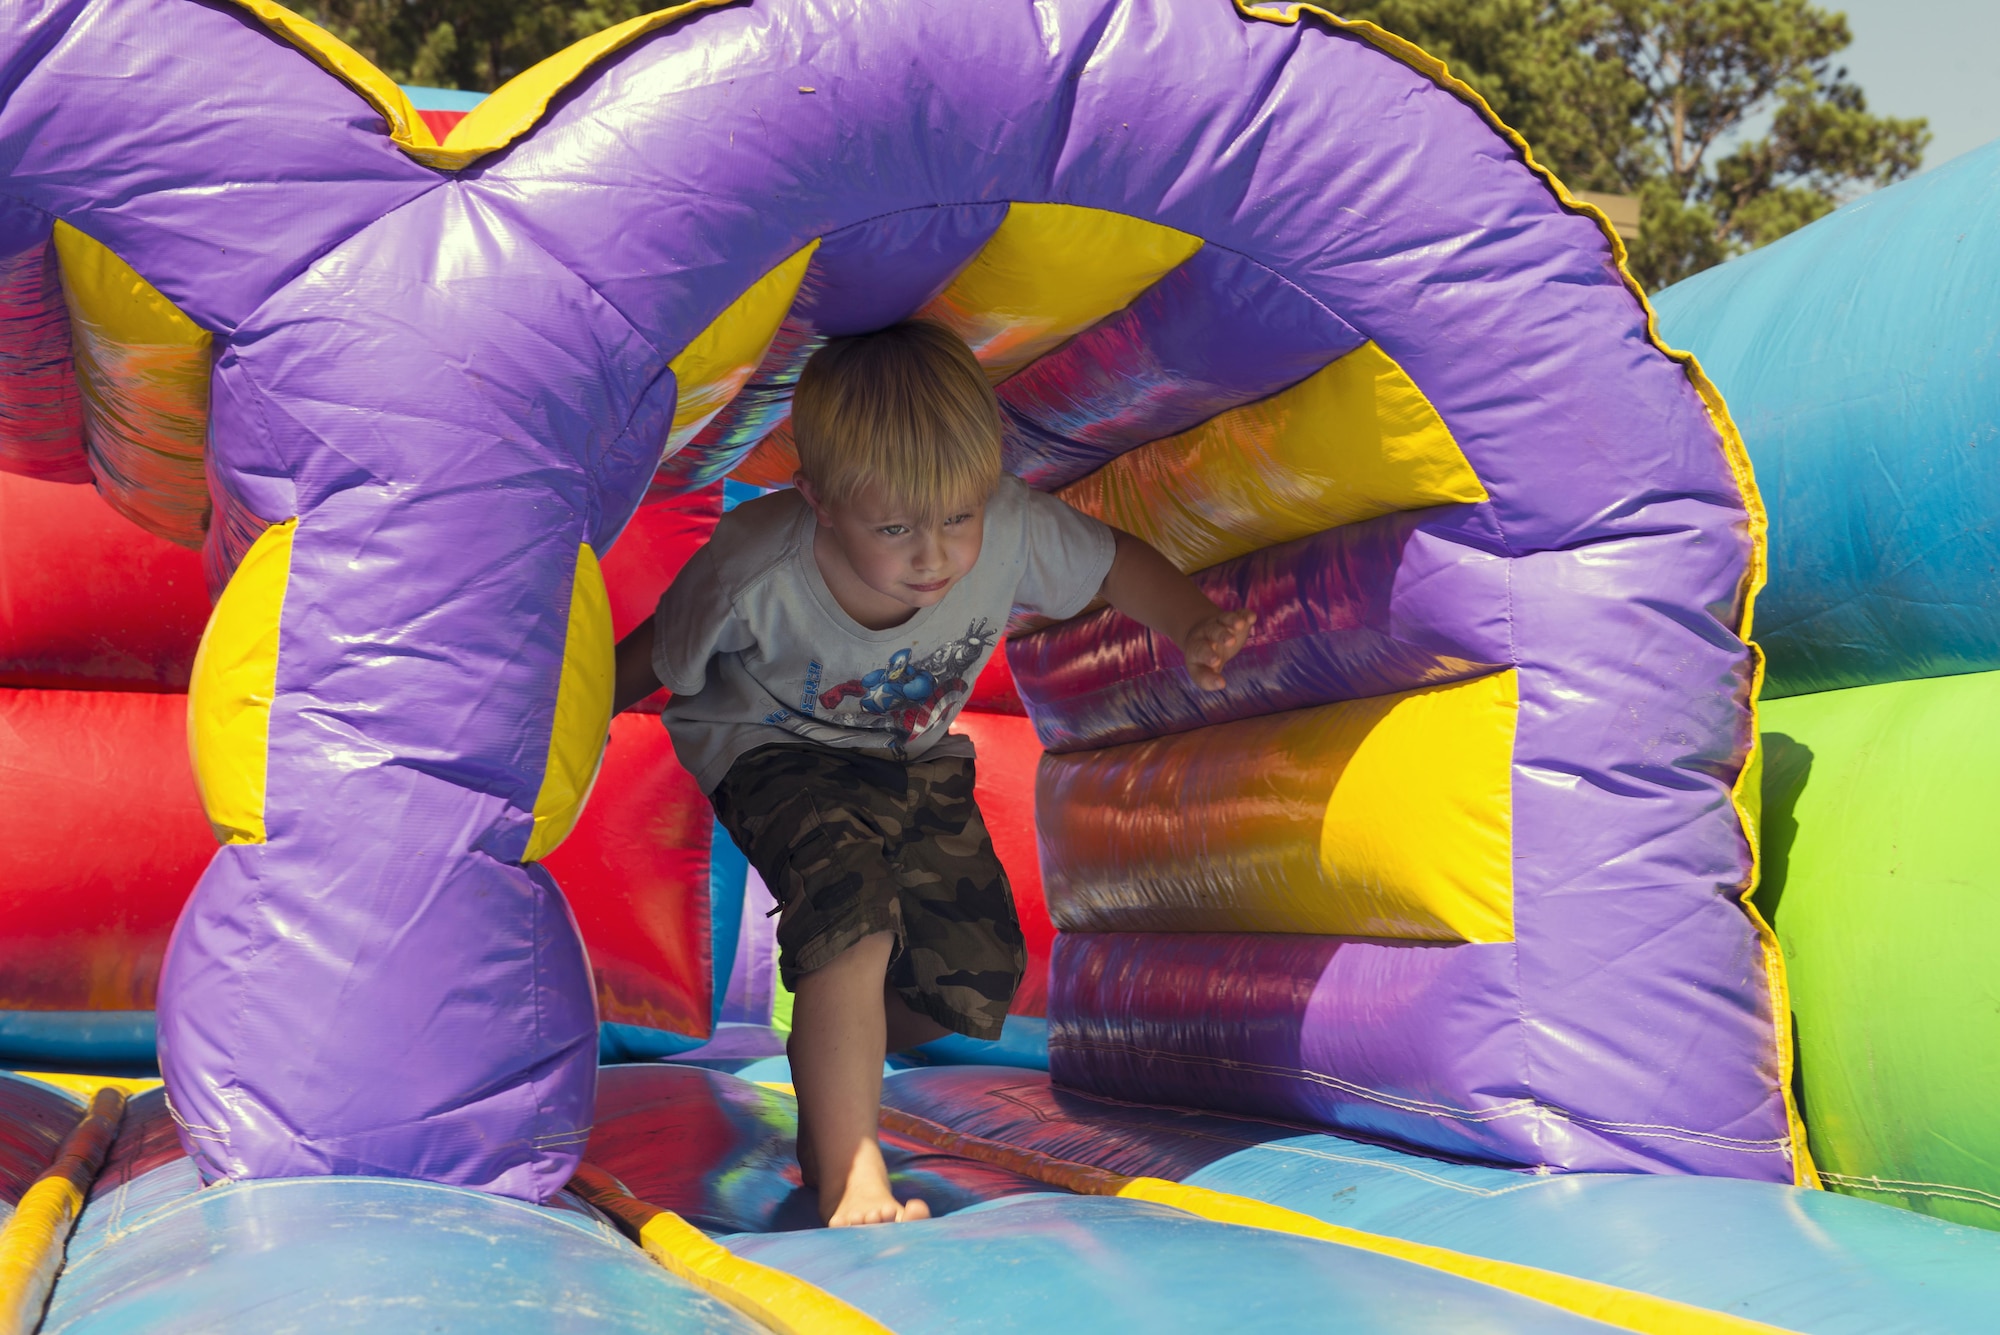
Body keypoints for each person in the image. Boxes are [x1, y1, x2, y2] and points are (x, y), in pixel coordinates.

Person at [611, 320, 1254, 1226]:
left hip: (909, 754)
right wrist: (582, 705)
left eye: (957, 518)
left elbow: (1114, 565)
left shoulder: (1008, 526)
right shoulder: (757, 564)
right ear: (820, 501)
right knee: (851, 908)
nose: (935, 554)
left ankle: (837, 1017)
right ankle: (849, 1172)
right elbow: (660, 654)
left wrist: (1191, 623)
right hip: (770, 746)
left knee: (973, 973)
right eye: (896, 528)